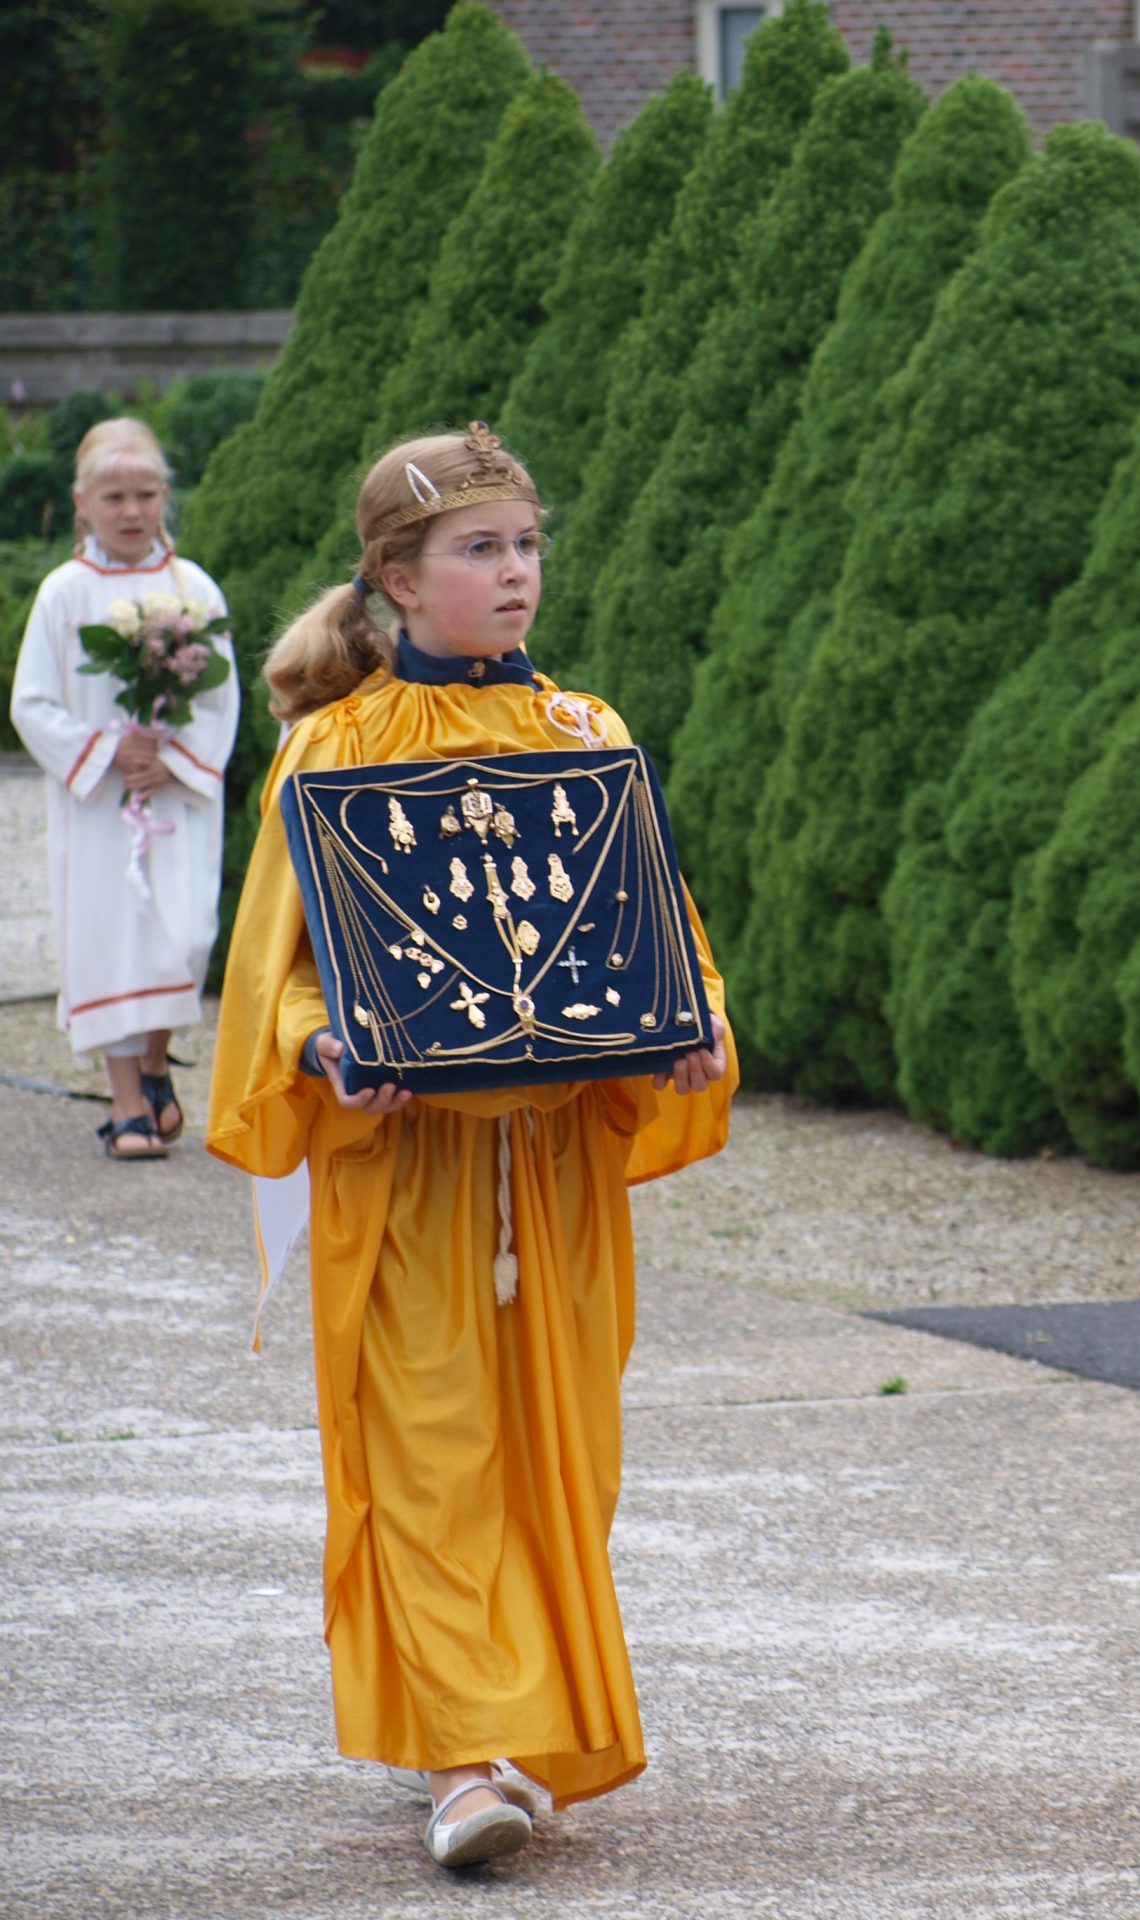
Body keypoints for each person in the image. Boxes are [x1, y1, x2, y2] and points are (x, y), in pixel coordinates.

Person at [206, 424, 737, 1871]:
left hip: (555, 1178)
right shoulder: (334, 750)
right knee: (429, 1454)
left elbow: (659, 933)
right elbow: (276, 976)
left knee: (562, 1458)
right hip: (408, 1178)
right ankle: (462, 1756)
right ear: (396, 578)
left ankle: (520, 1719)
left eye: (527, 545)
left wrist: (693, 1025)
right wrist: (325, 1049)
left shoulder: (587, 734)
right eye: (480, 549)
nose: (517, 573)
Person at [9, 417, 238, 1158]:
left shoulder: (193, 587)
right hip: (100, 806)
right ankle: (128, 1104)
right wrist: (108, 751)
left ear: (165, 496)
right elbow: (32, 703)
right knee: (109, 937)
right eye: (114, 497)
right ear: (83, 503)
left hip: (174, 797)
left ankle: (155, 1062)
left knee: (184, 935)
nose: (132, 511)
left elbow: (221, 698)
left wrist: (172, 762)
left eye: (145, 494)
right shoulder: (64, 593)